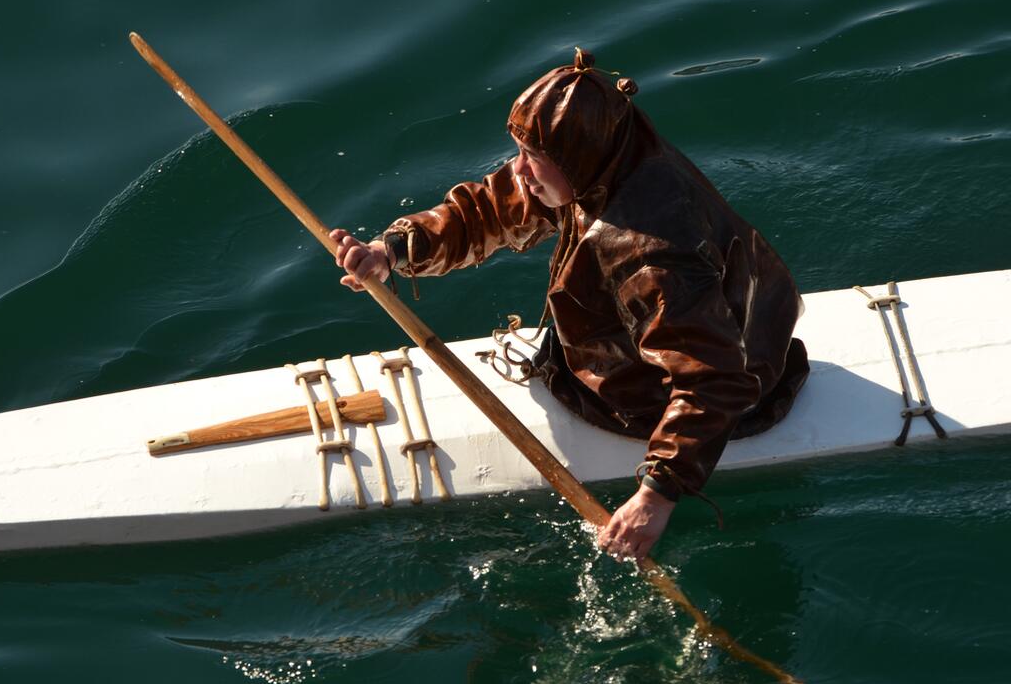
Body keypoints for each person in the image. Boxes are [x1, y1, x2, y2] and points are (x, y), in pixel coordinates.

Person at [330, 48, 809, 560]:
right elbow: (493, 207)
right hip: (744, 330)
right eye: (520, 151)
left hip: (697, 387)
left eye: (532, 157)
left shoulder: (650, 255)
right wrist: (394, 251)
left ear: (575, 158)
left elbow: (714, 379)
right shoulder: (612, 153)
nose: (519, 170)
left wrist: (658, 493)